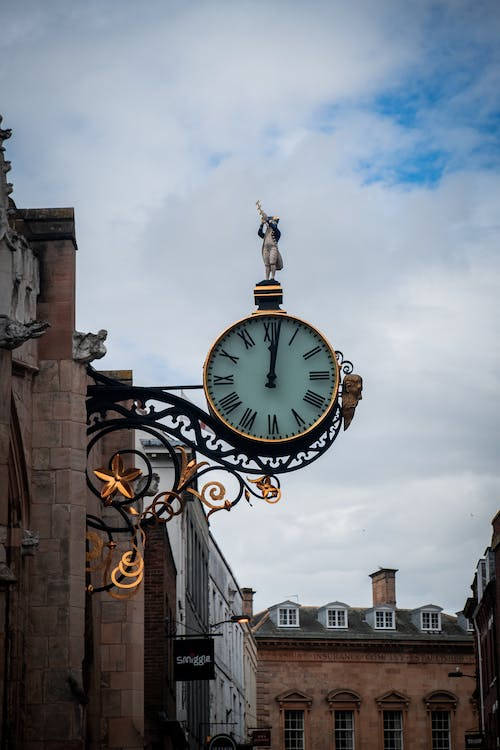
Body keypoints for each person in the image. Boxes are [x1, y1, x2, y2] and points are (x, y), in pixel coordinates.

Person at [258, 214, 283, 280]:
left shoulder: (277, 232)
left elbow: (274, 227)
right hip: (266, 248)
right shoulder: (267, 232)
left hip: (273, 248)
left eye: (274, 221)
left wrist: (267, 220)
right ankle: (267, 278)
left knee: (272, 262)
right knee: (267, 264)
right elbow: (260, 234)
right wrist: (262, 224)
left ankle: (272, 277)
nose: (272, 223)